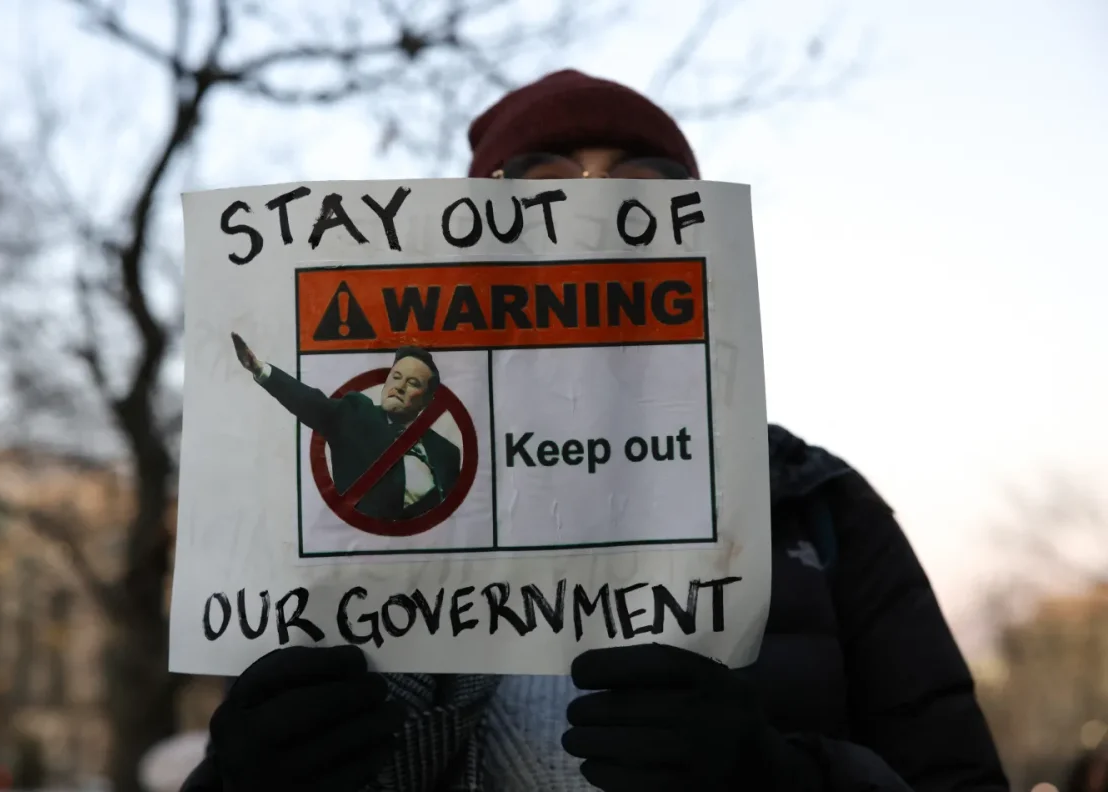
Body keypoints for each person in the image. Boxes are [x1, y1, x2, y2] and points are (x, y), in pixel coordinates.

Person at [185, 70, 1009, 791]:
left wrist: (784, 775)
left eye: (645, 185)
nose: (591, 206)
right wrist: (238, 776)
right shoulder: (333, 517)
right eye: (539, 182)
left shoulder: (817, 504)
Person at [231, 333, 461, 521]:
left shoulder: (447, 453)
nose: (399, 387)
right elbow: (312, 403)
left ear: (428, 400)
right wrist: (260, 370)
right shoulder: (355, 414)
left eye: (412, 383)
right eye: (396, 376)